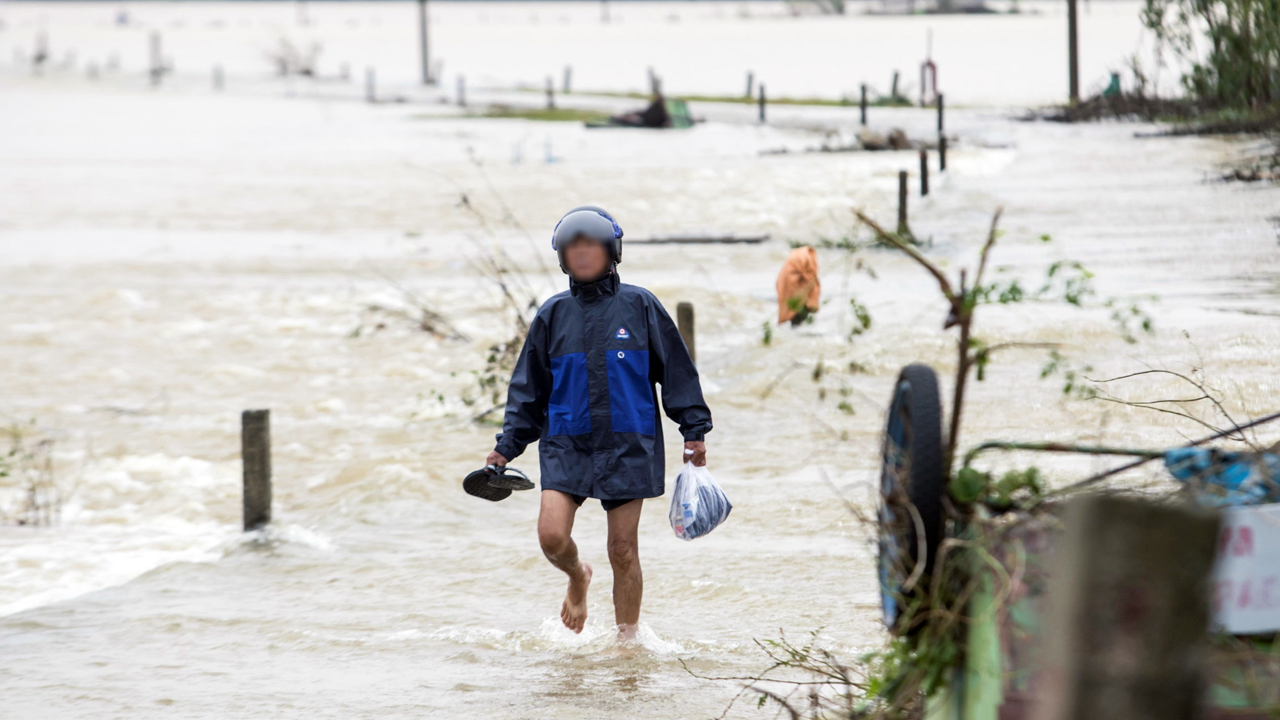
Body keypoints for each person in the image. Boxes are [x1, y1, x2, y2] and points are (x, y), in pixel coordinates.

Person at [485, 206, 712, 640]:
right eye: (573, 247)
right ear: (563, 258)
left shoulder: (641, 306)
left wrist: (694, 430)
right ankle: (577, 577)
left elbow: (678, 374)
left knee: (622, 550)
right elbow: (527, 391)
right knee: (551, 537)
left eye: (590, 245)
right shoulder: (551, 316)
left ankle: (628, 644)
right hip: (567, 444)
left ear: (612, 251)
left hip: (629, 444)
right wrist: (506, 446)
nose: (582, 254)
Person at [776, 245, 821, 326]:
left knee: (795, 321)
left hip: (797, 295)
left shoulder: (793, 262)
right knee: (796, 319)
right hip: (797, 297)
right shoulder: (798, 264)